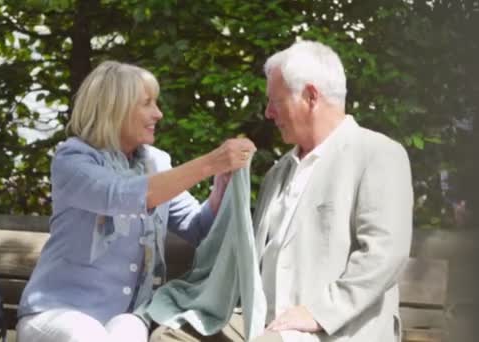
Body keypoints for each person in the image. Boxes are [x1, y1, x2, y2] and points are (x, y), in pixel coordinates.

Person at [151, 40, 413, 342]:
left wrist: (317, 313)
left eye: (275, 101)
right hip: (266, 323)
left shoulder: (378, 153)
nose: (267, 113)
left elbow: (383, 256)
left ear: (311, 96)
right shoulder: (278, 172)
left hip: (335, 328)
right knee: (169, 336)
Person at [16, 61, 256, 342]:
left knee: (129, 330)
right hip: (54, 313)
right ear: (115, 109)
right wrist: (210, 163)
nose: (159, 113)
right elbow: (120, 195)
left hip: (125, 316)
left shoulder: (156, 162)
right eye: (147, 104)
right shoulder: (73, 159)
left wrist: (221, 186)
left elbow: (197, 227)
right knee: (87, 334)